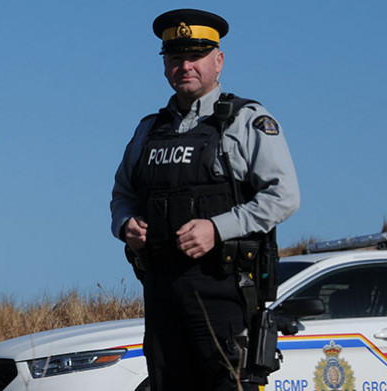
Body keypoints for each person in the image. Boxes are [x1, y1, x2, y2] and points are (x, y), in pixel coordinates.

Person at [110, 9, 300, 391]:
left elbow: (284, 196)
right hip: (161, 288)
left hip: (223, 286)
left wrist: (217, 228)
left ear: (218, 61)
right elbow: (123, 194)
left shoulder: (246, 121)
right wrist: (125, 224)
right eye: (175, 58)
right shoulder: (149, 129)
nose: (185, 66)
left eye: (195, 57)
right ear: (165, 64)